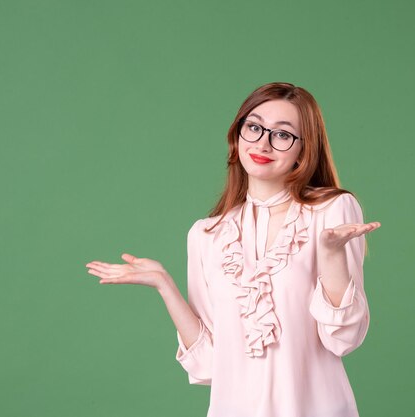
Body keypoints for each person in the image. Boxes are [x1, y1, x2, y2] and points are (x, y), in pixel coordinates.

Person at [85, 82, 381, 417]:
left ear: (305, 148)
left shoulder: (332, 210)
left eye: (282, 135)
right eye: (254, 127)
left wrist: (330, 254)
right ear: (237, 134)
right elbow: (212, 365)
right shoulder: (206, 235)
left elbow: (344, 339)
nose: (263, 143)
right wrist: (165, 286)